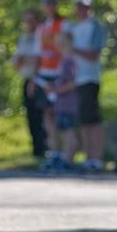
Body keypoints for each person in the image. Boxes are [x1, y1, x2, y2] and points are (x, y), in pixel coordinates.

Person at [67, 0, 106, 172]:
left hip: (90, 78)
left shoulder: (96, 26)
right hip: (77, 80)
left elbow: (93, 55)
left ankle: (96, 157)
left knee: (93, 120)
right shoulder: (75, 28)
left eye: (85, 6)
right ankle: (88, 157)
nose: (82, 10)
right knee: (83, 121)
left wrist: (73, 49)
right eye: (79, 6)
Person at [31, 0, 69, 170]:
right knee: (47, 114)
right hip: (45, 75)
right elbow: (38, 55)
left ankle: (65, 153)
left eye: (52, 3)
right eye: (47, 3)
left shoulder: (64, 24)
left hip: (59, 74)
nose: (49, 6)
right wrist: (34, 78)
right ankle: (53, 151)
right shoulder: (41, 27)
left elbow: (68, 49)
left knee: (61, 114)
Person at [12, 9, 46, 158]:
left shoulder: (42, 36)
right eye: (27, 21)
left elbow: (39, 60)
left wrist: (28, 61)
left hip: (40, 79)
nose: (29, 24)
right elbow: (17, 62)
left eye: (32, 20)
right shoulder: (24, 38)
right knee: (31, 115)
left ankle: (46, 147)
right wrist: (27, 60)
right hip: (27, 78)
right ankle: (36, 150)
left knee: (42, 116)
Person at [45, 32, 78, 171]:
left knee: (68, 131)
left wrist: (56, 90)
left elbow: (73, 82)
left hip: (68, 102)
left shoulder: (69, 60)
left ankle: (68, 159)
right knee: (63, 131)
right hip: (62, 103)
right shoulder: (64, 59)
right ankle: (65, 157)